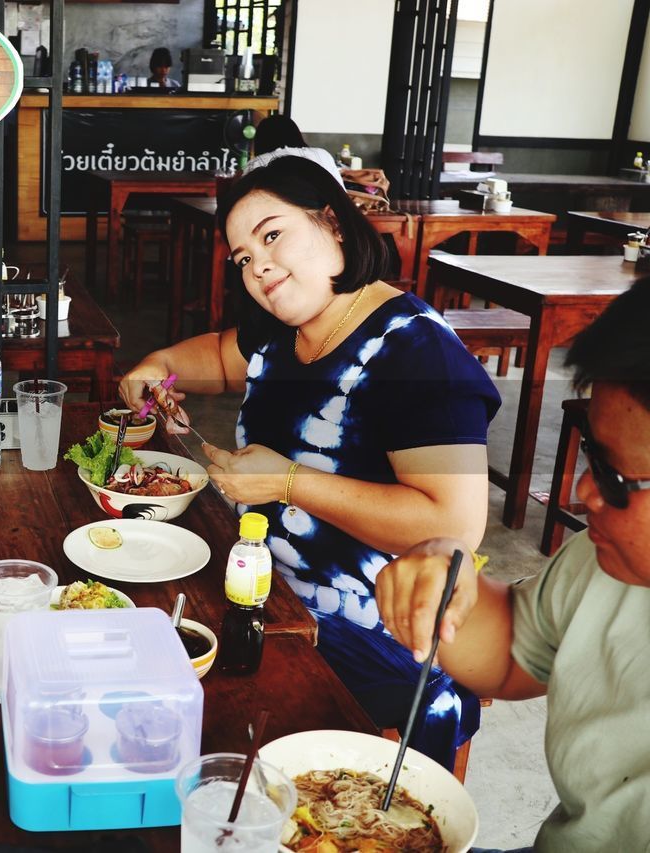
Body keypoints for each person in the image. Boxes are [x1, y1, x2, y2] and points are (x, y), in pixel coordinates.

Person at [118, 155, 500, 769]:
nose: (258, 263)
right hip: (264, 596)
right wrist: (157, 366)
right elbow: (219, 358)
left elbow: (453, 526)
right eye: (242, 257)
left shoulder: (415, 349)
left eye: (272, 234)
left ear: (334, 224)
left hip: (375, 639)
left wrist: (289, 482)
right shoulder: (287, 328)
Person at [377, 279, 650, 853]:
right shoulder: (610, 566)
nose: (581, 492)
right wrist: (446, 579)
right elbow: (511, 655)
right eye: (592, 459)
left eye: (615, 480)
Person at [244, 114, 343, 186]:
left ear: (261, 141)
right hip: (333, 213)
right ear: (296, 134)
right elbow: (341, 192)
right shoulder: (322, 154)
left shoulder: (257, 163)